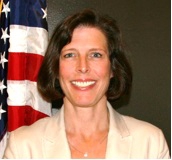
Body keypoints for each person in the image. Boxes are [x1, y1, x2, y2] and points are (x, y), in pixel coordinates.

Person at [3, 9, 170, 159]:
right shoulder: (23, 147)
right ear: (56, 68)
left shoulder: (150, 143)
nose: (82, 67)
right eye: (70, 55)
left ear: (112, 68)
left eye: (96, 55)